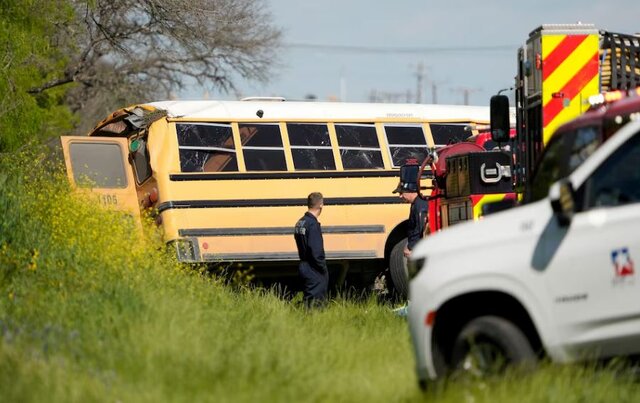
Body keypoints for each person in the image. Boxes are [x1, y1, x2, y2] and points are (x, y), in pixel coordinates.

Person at [294, 192, 329, 308]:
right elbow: (316, 251)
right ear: (321, 205)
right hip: (314, 269)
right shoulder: (312, 224)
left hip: (304, 265)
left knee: (308, 302)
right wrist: (323, 268)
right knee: (316, 306)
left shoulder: (300, 222)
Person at [392, 164, 429, 258]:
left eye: (401, 192)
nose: (400, 196)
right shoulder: (416, 204)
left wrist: (411, 247)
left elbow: (421, 229)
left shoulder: (420, 205)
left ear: (409, 191)